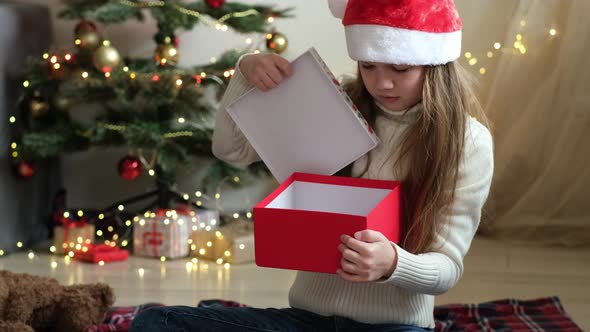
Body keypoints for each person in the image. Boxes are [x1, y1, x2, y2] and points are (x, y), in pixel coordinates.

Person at [130, 0, 494, 331]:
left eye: (400, 68)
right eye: (368, 66)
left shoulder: (467, 142)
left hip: (394, 326)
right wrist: (246, 72)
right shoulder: (336, 104)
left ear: (434, 63)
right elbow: (231, 151)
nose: (382, 82)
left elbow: (447, 268)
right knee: (156, 322)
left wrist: (393, 263)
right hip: (307, 320)